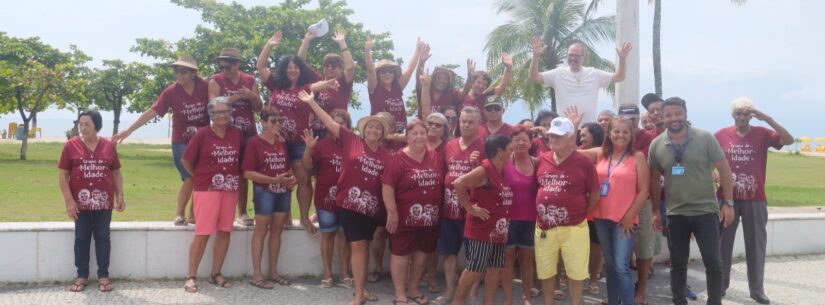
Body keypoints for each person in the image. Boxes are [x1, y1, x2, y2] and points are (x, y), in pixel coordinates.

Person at [298, 90, 392, 305]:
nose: (374, 130)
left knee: (363, 246)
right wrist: (312, 102)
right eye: (370, 126)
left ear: (382, 133)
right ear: (364, 129)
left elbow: (389, 184)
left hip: (372, 209)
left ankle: (361, 287)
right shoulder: (352, 140)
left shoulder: (387, 156)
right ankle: (358, 294)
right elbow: (329, 122)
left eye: (378, 128)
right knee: (357, 245)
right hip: (349, 205)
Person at [648, 97, 735, 305]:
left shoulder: (704, 137)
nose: (674, 118)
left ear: (685, 114)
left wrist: (728, 203)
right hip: (676, 213)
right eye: (668, 114)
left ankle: (714, 301)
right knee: (678, 263)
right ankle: (679, 300)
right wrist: (654, 211)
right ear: (663, 116)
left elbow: (723, 168)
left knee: (713, 262)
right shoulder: (657, 144)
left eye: (678, 113)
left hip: (705, 211)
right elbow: (652, 178)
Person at [257, 31, 340, 235]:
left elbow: (317, 85)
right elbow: (260, 67)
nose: (292, 70)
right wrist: (269, 45)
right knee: (280, 179)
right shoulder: (276, 85)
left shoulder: (305, 88)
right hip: (276, 142)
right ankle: (284, 216)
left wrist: (328, 83)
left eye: (296, 67)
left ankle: (303, 217)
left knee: (303, 180)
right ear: (284, 70)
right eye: (289, 67)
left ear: (300, 70)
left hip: (300, 142)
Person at [715, 97, 793, 304]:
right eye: (738, 113)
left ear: (752, 115)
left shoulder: (762, 134)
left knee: (756, 245)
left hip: (755, 198)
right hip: (726, 199)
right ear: (733, 115)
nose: (742, 117)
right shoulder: (721, 135)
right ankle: (720, 285)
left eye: (746, 113)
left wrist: (767, 119)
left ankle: (757, 289)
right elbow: (707, 160)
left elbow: (788, 140)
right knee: (723, 244)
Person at [113, 55, 208, 226]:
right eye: (177, 71)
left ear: (194, 73)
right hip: (181, 140)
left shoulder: (206, 87)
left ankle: (193, 214)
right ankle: (179, 214)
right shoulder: (171, 92)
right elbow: (152, 112)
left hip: (202, 140)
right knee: (189, 177)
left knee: (201, 176)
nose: (179, 75)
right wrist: (128, 131)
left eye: (183, 72)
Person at [580, 117, 650, 305]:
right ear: (609, 134)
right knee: (611, 266)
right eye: (616, 131)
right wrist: (575, 125)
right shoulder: (600, 153)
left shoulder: (638, 157)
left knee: (620, 266)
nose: (620, 135)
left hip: (624, 221)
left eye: (625, 132)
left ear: (631, 135)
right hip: (601, 218)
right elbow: (571, 151)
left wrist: (629, 216)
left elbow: (644, 191)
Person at [181, 97, 244, 293]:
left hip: (230, 189)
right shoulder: (202, 134)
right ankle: (191, 276)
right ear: (211, 114)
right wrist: (199, 177)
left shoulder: (236, 135)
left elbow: (241, 162)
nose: (222, 115)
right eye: (217, 112)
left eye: (225, 111)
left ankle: (216, 273)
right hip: (206, 189)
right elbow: (186, 161)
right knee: (203, 233)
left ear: (231, 112)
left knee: (225, 231)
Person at [534, 117, 600, 305]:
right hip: (545, 227)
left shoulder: (584, 162)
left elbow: (594, 194)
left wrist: (579, 214)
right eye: (551, 135)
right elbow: (536, 189)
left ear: (571, 138)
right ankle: (548, 302)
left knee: (576, 271)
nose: (553, 139)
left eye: (559, 136)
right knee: (545, 270)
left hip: (574, 227)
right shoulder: (541, 160)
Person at [59, 110, 125, 293]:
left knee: (103, 238)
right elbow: (63, 175)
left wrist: (120, 195)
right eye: (81, 124)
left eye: (87, 124)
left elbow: (116, 172)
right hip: (80, 204)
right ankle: (82, 276)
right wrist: (69, 201)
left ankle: (103, 276)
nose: (83, 127)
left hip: (103, 202)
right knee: (81, 238)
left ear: (96, 125)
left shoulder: (108, 146)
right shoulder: (70, 146)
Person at [382, 119, 444, 305]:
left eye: (422, 133)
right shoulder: (398, 158)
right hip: (404, 218)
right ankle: (400, 292)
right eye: (414, 133)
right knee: (401, 254)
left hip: (430, 218)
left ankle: (413, 288)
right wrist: (392, 212)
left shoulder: (434, 156)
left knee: (423, 253)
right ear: (407, 137)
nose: (419, 136)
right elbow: (387, 186)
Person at [451, 134, 514, 305]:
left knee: (495, 269)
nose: (512, 152)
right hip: (482, 230)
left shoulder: (500, 171)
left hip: (498, 231)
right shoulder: (485, 169)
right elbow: (459, 183)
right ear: (500, 151)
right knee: (475, 268)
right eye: (510, 149)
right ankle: (457, 301)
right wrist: (470, 208)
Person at [434, 106, 486, 305]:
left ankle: (472, 293)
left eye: (471, 121)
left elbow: (489, 179)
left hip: (474, 210)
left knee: (475, 255)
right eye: (463, 121)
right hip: (449, 210)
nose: (466, 125)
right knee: (449, 252)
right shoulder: (450, 145)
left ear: (479, 124)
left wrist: (476, 166)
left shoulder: (485, 146)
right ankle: (449, 291)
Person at [208, 47, 264, 227]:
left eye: (228, 66)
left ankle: (243, 211)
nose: (225, 70)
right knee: (222, 172)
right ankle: (219, 211)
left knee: (246, 173)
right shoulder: (215, 81)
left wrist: (252, 95)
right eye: (222, 66)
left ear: (237, 64)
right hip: (225, 135)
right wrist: (238, 97)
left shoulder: (249, 80)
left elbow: (259, 108)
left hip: (248, 133)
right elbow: (213, 106)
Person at [242, 109, 297, 289]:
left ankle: (273, 271)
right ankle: (256, 274)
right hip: (264, 191)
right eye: (273, 121)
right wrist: (274, 180)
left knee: (276, 230)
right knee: (261, 230)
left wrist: (290, 178)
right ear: (263, 122)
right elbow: (248, 173)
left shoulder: (281, 142)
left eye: (280, 121)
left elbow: (285, 166)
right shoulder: (254, 143)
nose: (277, 124)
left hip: (283, 191)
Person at [302, 109, 354, 288]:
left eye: (342, 123)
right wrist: (309, 149)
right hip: (325, 199)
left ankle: (346, 273)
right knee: (328, 235)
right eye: (334, 122)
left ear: (347, 126)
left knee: (345, 236)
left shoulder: (354, 144)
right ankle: (328, 274)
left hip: (348, 199)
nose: (337, 126)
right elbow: (307, 166)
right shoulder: (321, 144)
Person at [613, 104, 658, 305]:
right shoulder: (616, 137)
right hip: (617, 201)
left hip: (642, 200)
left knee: (643, 246)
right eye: (625, 117)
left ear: (638, 118)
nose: (630, 121)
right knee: (620, 251)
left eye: (633, 117)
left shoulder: (648, 139)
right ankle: (622, 290)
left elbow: (650, 172)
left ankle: (641, 289)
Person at [529, 37, 631, 123]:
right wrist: (536, 56)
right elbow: (534, 77)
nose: (573, 58)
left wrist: (622, 60)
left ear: (584, 58)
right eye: (570, 55)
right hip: (565, 129)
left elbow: (619, 77)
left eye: (576, 56)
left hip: (589, 130)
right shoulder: (558, 73)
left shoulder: (594, 73)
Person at [501, 126, 538, 305]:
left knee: (527, 263)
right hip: (509, 220)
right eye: (516, 139)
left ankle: (526, 297)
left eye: (525, 139)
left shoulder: (538, 163)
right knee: (507, 262)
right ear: (511, 144)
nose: (521, 143)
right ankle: (508, 299)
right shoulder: (504, 162)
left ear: (531, 143)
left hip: (531, 220)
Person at [297, 30, 356, 138]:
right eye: (326, 65)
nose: (329, 68)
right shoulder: (317, 80)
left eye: (334, 66)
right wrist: (306, 40)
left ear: (340, 68)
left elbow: (351, 67)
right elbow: (299, 63)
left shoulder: (343, 82)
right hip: (315, 131)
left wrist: (342, 42)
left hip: (335, 130)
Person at [365, 36, 424, 133]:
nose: (387, 74)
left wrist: (417, 51)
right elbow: (371, 69)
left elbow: (410, 69)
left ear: (394, 74)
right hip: (380, 134)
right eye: (383, 71)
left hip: (400, 134)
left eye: (390, 71)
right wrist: (367, 51)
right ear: (378, 75)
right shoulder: (375, 88)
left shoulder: (397, 87)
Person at [416, 43, 461, 117]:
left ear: (448, 82)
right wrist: (421, 61)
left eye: (444, 79)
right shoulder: (425, 91)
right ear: (433, 79)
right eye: (438, 78)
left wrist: (470, 77)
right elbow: (419, 77)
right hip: (424, 127)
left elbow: (465, 92)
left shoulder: (451, 94)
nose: (441, 81)